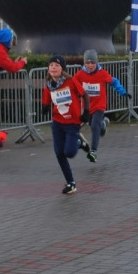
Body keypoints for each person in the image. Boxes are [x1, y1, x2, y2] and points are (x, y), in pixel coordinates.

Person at [41, 55, 90, 195]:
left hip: (72, 122)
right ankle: (71, 183)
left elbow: (84, 95)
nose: (53, 68)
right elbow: (46, 99)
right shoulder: (49, 84)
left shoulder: (71, 81)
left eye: (56, 65)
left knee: (69, 152)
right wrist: (44, 107)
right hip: (57, 123)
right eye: (51, 65)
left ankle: (79, 143)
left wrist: (86, 112)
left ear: (62, 68)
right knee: (59, 153)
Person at [74, 49, 130, 162]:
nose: (90, 65)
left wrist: (123, 91)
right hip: (87, 107)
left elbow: (114, 82)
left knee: (94, 126)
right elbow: (72, 86)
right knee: (92, 125)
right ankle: (103, 124)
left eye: (92, 63)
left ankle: (93, 151)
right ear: (84, 63)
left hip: (99, 105)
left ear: (97, 63)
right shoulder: (80, 75)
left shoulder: (102, 73)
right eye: (88, 63)